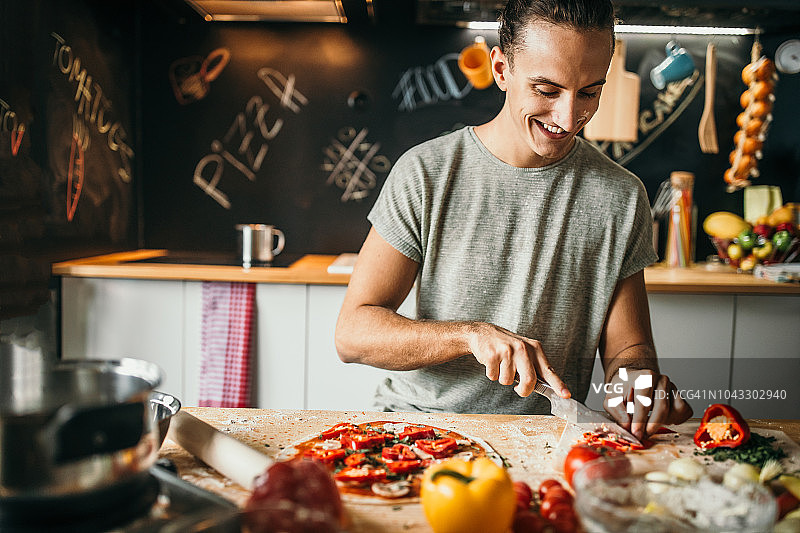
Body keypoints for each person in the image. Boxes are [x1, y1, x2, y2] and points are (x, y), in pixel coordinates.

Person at [335, 0, 692, 441]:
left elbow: (629, 350)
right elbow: (353, 332)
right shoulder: (426, 172)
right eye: (546, 90)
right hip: (421, 427)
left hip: (545, 436)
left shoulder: (621, 196)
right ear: (501, 70)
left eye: (589, 92)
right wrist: (470, 336)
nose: (568, 117)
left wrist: (637, 385)